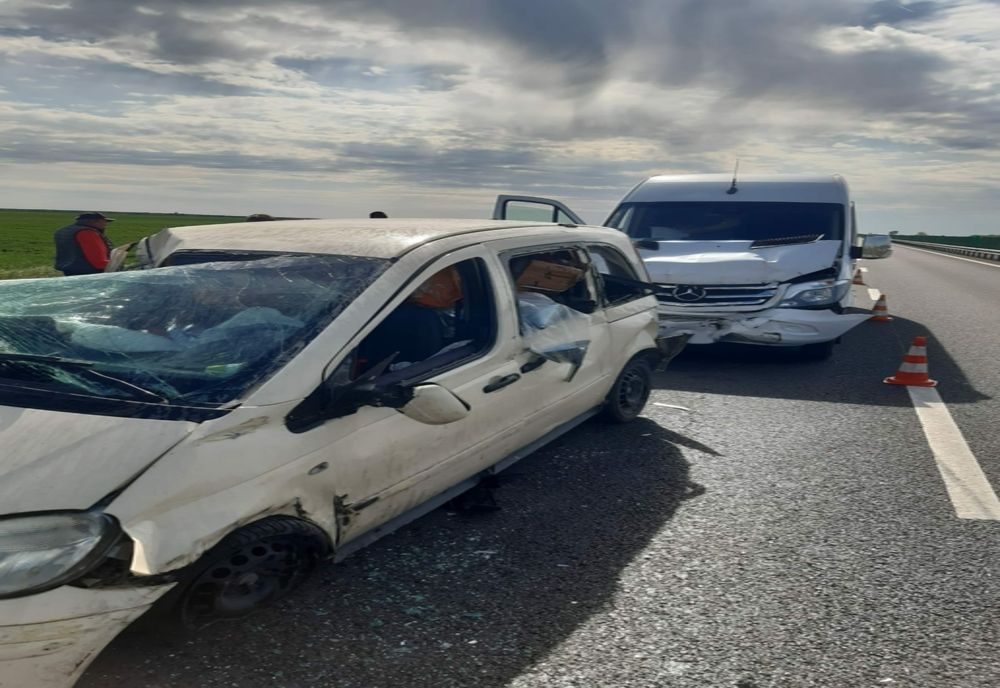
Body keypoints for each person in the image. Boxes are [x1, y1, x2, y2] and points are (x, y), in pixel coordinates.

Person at [53, 212, 115, 276]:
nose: (105, 224)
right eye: (103, 222)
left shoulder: (62, 230)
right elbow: (98, 261)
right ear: (92, 222)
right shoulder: (88, 233)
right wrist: (114, 266)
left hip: (68, 269)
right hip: (89, 272)